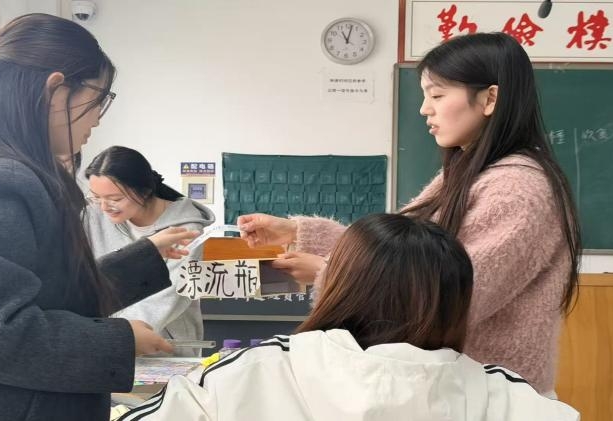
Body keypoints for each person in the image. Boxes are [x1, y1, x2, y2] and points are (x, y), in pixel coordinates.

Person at [237, 32, 581, 395]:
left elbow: (448, 301)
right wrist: (296, 232)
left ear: (490, 99)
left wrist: (328, 273)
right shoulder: (469, 173)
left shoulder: (517, 191)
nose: (424, 109)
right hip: (459, 390)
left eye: (437, 95)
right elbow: (400, 257)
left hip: (491, 398)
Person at [120, 214, 579, 421]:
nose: (427, 109)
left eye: (437, 94)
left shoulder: (250, 374)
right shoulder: (508, 398)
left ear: (338, 282)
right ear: (456, 300)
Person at [0, 13, 198, 421]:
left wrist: (146, 254)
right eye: (98, 98)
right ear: (56, 90)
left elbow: (55, 294)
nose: (98, 117)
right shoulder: (0, 180)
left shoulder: (5, 167)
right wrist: (119, 341)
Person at [84, 146, 215, 354]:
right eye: (96, 197)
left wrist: (114, 335)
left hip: (166, 349)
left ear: (144, 191)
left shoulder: (186, 229)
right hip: (107, 343)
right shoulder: (92, 216)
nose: (104, 207)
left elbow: (168, 298)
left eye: (115, 199)